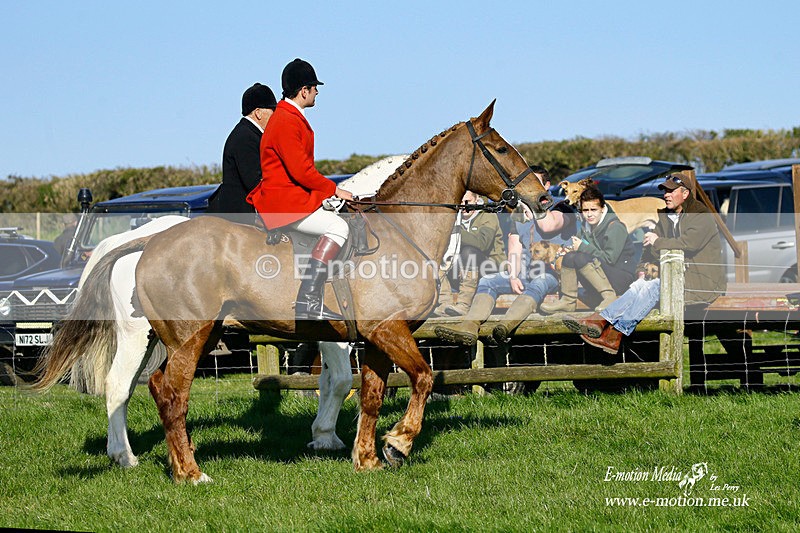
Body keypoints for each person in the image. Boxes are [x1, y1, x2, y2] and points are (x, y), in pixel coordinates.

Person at [563, 174, 726, 354]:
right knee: (640, 284)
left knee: (654, 286)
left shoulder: (700, 215)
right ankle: (603, 324)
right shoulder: (665, 216)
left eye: (671, 191)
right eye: (665, 190)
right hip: (671, 276)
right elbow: (648, 251)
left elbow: (687, 244)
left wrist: (658, 242)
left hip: (701, 282)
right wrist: (642, 269)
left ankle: (616, 331)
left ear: (685, 194)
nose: (666, 195)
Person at [247, 58, 353, 320]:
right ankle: (308, 300)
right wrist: (334, 190)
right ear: (304, 91)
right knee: (339, 227)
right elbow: (301, 171)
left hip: (291, 197)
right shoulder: (286, 120)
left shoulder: (290, 117)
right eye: (314, 87)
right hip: (283, 203)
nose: (317, 92)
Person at [434, 166, 577, 345]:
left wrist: (536, 203)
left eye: (536, 183)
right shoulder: (520, 213)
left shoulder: (562, 206)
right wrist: (513, 275)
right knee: (488, 281)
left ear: (547, 186)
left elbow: (549, 226)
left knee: (539, 282)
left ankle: (504, 327)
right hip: (525, 271)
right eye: (527, 184)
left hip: (553, 272)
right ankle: (469, 326)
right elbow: (514, 246)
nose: (530, 188)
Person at [539, 184, 636, 314]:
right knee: (570, 257)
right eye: (585, 210)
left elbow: (609, 259)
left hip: (620, 278)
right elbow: (577, 247)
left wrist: (582, 247)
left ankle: (609, 297)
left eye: (593, 210)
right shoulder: (586, 226)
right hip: (599, 276)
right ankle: (568, 301)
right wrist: (567, 250)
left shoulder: (615, 227)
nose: (589, 214)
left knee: (580, 257)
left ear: (602, 209)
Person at [207, 83, 277, 222]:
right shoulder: (246, 137)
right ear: (258, 112)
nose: (275, 116)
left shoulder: (249, 133)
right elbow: (256, 182)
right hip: (240, 218)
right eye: (272, 111)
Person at [434, 191, 505, 317]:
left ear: (477, 200)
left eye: (468, 202)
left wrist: (454, 230)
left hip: (490, 270)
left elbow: (482, 243)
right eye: (460, 202)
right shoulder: (454, 218)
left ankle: (464, 305)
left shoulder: (487, 215)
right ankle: (444, 303)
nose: (464, 206)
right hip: (462, 272)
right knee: (436, 256)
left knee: (469, 252)